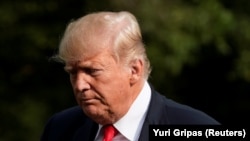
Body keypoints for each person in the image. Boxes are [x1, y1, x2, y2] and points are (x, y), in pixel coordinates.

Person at [40, 11, 220, 141]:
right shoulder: (60, 129)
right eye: (72, 72)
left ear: (134, 70)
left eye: (92, 71)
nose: (80, 85)